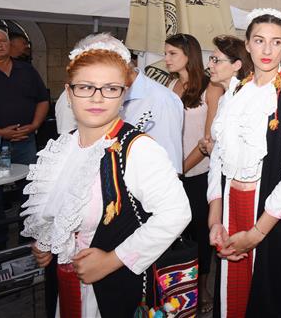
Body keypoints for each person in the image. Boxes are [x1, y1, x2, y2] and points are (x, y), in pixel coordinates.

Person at [22, 39, 190, 316]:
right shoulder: (65, 145)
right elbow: (62, 205)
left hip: (111, 288)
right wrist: (48, 241)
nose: (97, 97)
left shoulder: (137, 147)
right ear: (69, 92)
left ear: (124, 94)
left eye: (110, 88)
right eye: (86, 87)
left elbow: (175, 213)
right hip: (65, 285)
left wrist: (113, 259)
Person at [207, 9, 281, 317]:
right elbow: (218, 157)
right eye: (259, 40)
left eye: (276, 42)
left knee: (270, 297)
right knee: (232, 295)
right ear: (248, 44)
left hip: (271, 213)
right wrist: (215, 219)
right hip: (230, 205)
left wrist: (256, 233)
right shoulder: (235, 90)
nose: (267, 50)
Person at [55, 33, 185, 173]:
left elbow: (168, 167)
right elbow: (70, 149)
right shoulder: (74, 96)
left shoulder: (162, 100)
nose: (97, 97)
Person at [164, 33, 224, 314]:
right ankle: (178, 287)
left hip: (198, 173)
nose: (167, 59)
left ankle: (201, 292)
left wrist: (181, 170)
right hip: (171, 173)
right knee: (176, 232)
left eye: (172, 53)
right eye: (166, 53)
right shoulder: (170, 85)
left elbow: (208, 140)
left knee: (200, 234)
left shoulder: (210, 89)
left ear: (189, 54)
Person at [0, 28, 50, 250]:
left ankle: (29, 238)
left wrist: (35, 125)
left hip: (25, 142)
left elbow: (42, 100)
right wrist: (0, 132)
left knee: (32, 191)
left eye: (3, 41)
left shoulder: (26, 70)